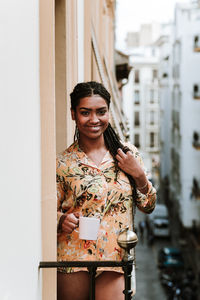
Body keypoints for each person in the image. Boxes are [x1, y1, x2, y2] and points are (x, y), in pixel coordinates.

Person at [56, 81, 156, 300]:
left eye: (101, 112)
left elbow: (149, 205)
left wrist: (138, 174)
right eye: (85, 112)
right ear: (73, 114)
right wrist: (60, 219)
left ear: (108, 113)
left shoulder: (128, 154)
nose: (94, 120)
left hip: (115, 258)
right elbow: (47, 212)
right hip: (74, 257)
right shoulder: (62, 163)